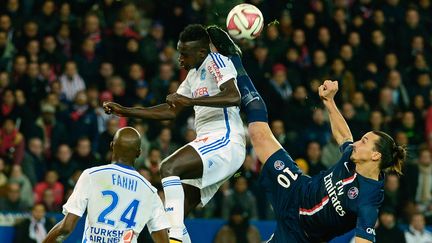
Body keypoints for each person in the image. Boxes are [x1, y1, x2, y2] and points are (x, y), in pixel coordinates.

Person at [207, 26, 406, 243]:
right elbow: (344, 136)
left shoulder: (369, 199)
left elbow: (363, 241)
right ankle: (234, 59)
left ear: (375, 156)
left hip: (299, 235)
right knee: (258, 133)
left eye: (365, 141)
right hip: (296, 188)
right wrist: (329, 102)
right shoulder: (353, 157)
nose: (358, 143)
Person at [103, 24, 246, 243]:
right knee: (174, 214)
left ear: (201, 52)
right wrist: (125, 110)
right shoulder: (192, 76)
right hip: (210, 144)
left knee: (168, 167)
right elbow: (170, 111)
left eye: (184, 54)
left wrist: (191, 101)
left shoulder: (217, 62)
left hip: (226, 139)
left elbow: (233, 96)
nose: (179, 58)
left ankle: (176, 239)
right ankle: (177, 236)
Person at [43, 127, 170, 243]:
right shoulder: (150, 191)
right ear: (139, 153)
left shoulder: (92, 175)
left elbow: (66, 227)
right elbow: (163, 239)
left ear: (112, 146)